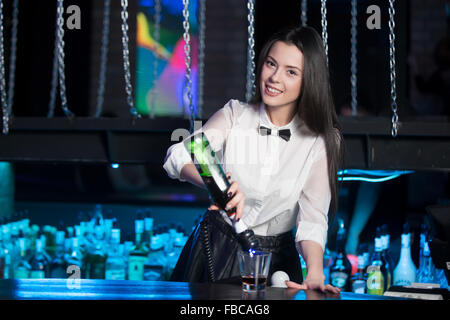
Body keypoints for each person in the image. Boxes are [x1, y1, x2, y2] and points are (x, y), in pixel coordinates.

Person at [163, 26, 344, 294]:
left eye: (290, 72)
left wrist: (315, 271)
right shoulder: (235, 114)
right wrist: (218, 185)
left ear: (309, 80)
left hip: (279, 261)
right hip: (218, 248)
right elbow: (177, 156)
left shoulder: (320, 140)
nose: (274, 78)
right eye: (271, 64)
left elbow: (313, 217)